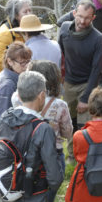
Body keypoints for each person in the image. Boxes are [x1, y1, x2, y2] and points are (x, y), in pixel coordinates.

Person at [0, 71, 63, 202]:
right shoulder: (42, 128)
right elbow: (54, 176)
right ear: (42, 95)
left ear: (18, 95)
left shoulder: (5, 117)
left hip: (5, 194)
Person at [12, 60, 73, 192]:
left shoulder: (17, 98)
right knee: (48, 189)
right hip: (53, 153)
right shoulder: (60, 105)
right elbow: (67, 133)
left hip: (25, 150)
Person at [58, 0, 102, 159]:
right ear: (74, 14)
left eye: (87, 18)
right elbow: (61, 54)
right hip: (68, 83)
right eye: (79, 16)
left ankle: (85, 156)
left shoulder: (99, 39)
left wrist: (86, 97)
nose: (82, 21)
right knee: (69, 121)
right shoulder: (64, 30)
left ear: (93, 18)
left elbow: (97, 70)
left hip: (87, 83)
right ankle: (72, 154)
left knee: (84, 124)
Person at [0, 0, 33, 94]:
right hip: (0, 77)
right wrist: (17, 71)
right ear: (16, 15)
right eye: (25, 12)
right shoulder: (5, 33)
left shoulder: (24, 28)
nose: (29, 14)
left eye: (30, 10)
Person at [0, 42, 32, 123]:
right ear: (10, 61)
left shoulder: (7, 73)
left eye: (28, 61)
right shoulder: (8, 86)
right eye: (22, 63)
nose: (27, 66)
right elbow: (2, 120)